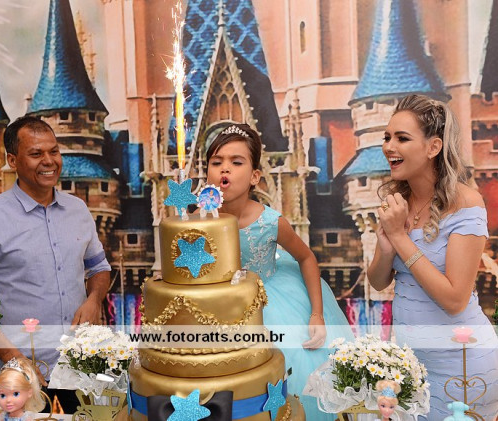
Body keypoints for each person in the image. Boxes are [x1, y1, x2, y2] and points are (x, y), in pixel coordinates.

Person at [0, 116, 112, 413]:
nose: (49, 161)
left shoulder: (78, 210)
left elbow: (99, 268)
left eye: (54, 151)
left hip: (81, 369)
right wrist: (17, 362)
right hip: (21, 380)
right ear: (12, 160)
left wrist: (94, 299)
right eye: (36, 153)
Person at [206, 122, 354, 420]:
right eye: (216, 162)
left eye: (237, 162)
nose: (225, 169)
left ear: (255, 176)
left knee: (289, 368)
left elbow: (306, 258)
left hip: (270, 302)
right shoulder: (196, 220)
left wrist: (316, 314)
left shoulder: (270, 222)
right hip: (216, 307)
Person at [367, 94, 498, 420]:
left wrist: (400, 238)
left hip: (462, 367)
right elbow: (378, 281)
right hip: (412, 366)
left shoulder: (466, 204)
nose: (388, 147)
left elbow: (454, 299)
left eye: (402, 138)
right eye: (386, 137)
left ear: (433, 147)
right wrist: (387, 247)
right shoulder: (397, 200)